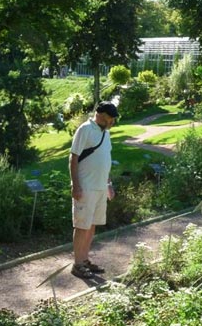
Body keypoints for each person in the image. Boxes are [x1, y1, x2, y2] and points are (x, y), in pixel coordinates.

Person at [68, 101, 118, 278]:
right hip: (86, 187)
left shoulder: (106, 134)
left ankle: (85, 260)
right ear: (101, 115)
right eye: (110, 119)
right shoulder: (85, 129)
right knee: (82, 225)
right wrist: (76, 185)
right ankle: (77, 264)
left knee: (91, 225)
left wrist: (108, 184)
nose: (112, 122)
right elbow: (73, 158)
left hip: (100, 188)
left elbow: (106, 161)